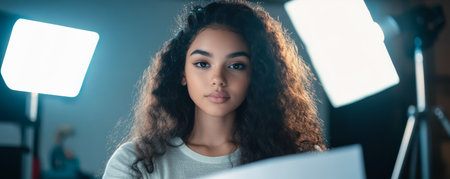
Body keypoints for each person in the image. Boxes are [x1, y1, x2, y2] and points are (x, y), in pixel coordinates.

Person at [103, 0, 325, 178]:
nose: (218, 79)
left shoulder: (302, 160)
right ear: (182, 73)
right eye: (202, 64)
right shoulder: (136, 162)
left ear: (256, 74)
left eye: (236, 65)